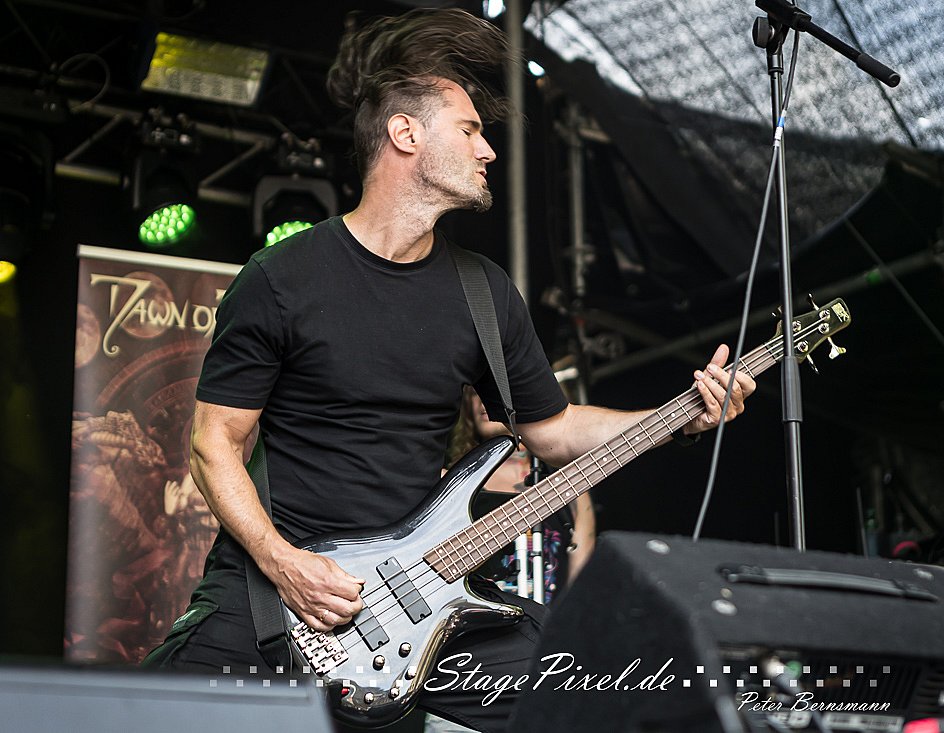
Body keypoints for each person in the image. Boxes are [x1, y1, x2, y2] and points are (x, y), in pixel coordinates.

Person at [143, 8, 755, 732]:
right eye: (469, 130)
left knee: (595, 693)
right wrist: (284, 564)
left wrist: (679, 415)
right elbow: (214, 443)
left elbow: (554, 431)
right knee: (145, 714)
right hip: (275, 594)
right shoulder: (282, 277)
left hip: (426, 598)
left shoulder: (483, 292)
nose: (488, 149)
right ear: (406, 134)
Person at [448, 385, 597, 598]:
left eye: (494, 388)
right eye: (474, 393)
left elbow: (580, 578)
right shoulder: (450, 483)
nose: (482, 400)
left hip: (547, 616)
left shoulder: (568, 485)